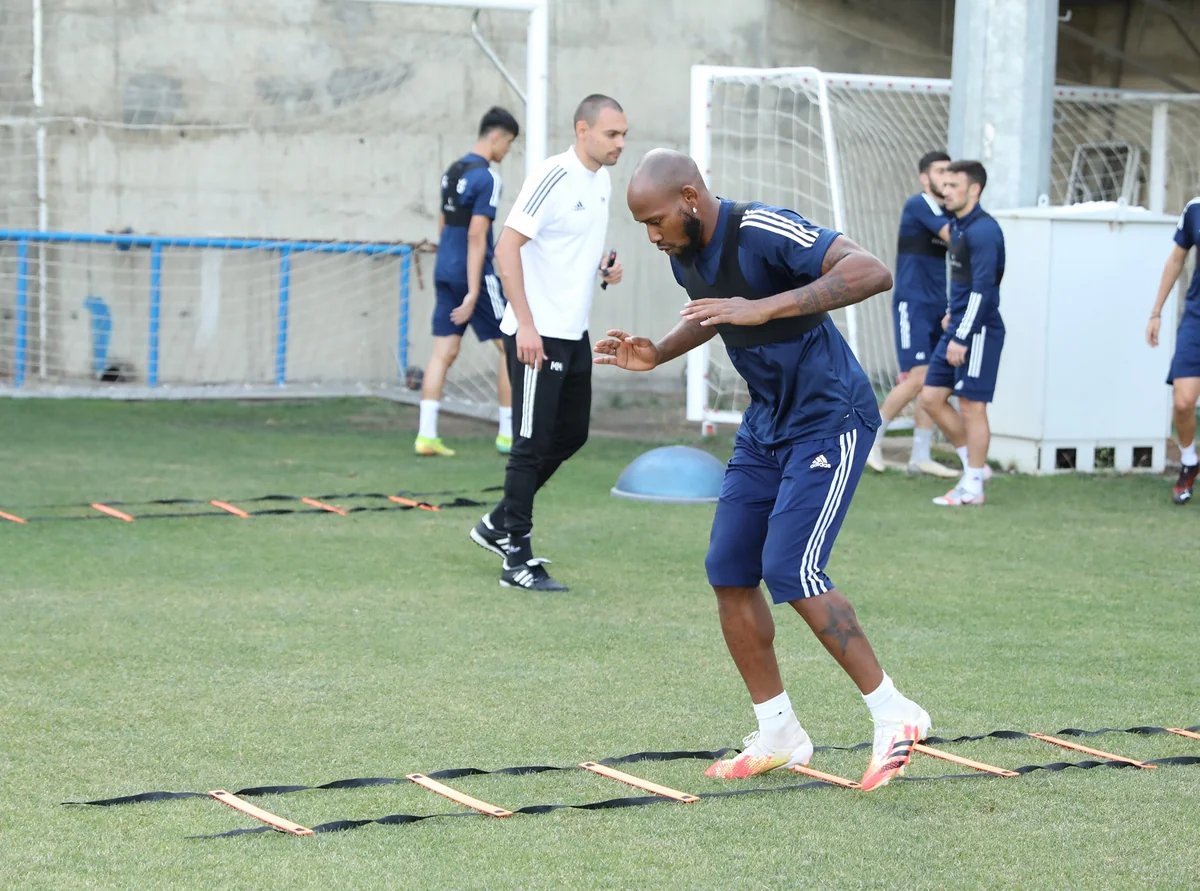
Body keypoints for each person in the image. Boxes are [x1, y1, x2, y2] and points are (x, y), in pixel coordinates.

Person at [595, 148, 931, 791]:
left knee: (792, 568)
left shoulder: (762, 228)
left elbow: (872, 271)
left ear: (691, 198)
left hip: (829, 416)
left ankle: (896, 714)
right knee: (728, 569)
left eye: (657, 220)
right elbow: (714, 314)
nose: (652, 235)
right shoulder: (683, 255)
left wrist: (764, 306)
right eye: (643, 225)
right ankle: (780, 732)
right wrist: (658, 352)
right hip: (767, 422)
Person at [468, 95, 627, 592]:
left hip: (574, 333)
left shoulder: (600, 180)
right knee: (530, 445)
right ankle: (515, 557)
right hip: (538, 335)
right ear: (583, 130)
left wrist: (604, 268)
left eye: (623, 134)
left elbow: (568, 244)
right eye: (612, 134)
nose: (620, 143)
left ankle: (499, 521)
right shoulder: (551, 175)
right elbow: (505, 248)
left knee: (572, 435)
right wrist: (528, 326)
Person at [416, 106, 521, 457]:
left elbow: (444, 223)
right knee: (511, 346)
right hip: (473, 274)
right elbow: (478, 235)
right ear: (496, 137)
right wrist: (475, 289)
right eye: (509, 144)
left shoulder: (453, 170)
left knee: (443, 352)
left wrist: (448, 260)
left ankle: (426, 435)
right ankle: (509, 434)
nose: (507, 152)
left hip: (445, 269)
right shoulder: (487, 178)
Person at [918, 160, 1005, 507]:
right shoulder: (960, 227)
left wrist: (962, 336)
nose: (946, 191)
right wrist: (954, 315)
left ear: (974, 189)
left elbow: (984, 291)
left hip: (977, 331)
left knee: (972, 406)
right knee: (930, 398)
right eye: (945, 185)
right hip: (960, 324)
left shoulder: (984, 231)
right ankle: (975, 468)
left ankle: (972, 487)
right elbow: (968, 284)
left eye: (954, 185)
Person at [867, 151, 958, 479]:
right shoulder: (920, 205)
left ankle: (919, 456)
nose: (947, 177)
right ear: (925, 178)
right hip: (913, 304)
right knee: (918, 377)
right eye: (940, 171)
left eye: (951, 172)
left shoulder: (949, 211)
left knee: (933, 383)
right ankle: (870, 441)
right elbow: (957, 239)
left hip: (938, 305)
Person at [1146, 197, 1200, 504]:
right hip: (1196, 318)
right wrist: (1156, 312)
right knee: (1182, 402)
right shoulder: (1195, 209)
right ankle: (1189, 460)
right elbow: (1176, 259)